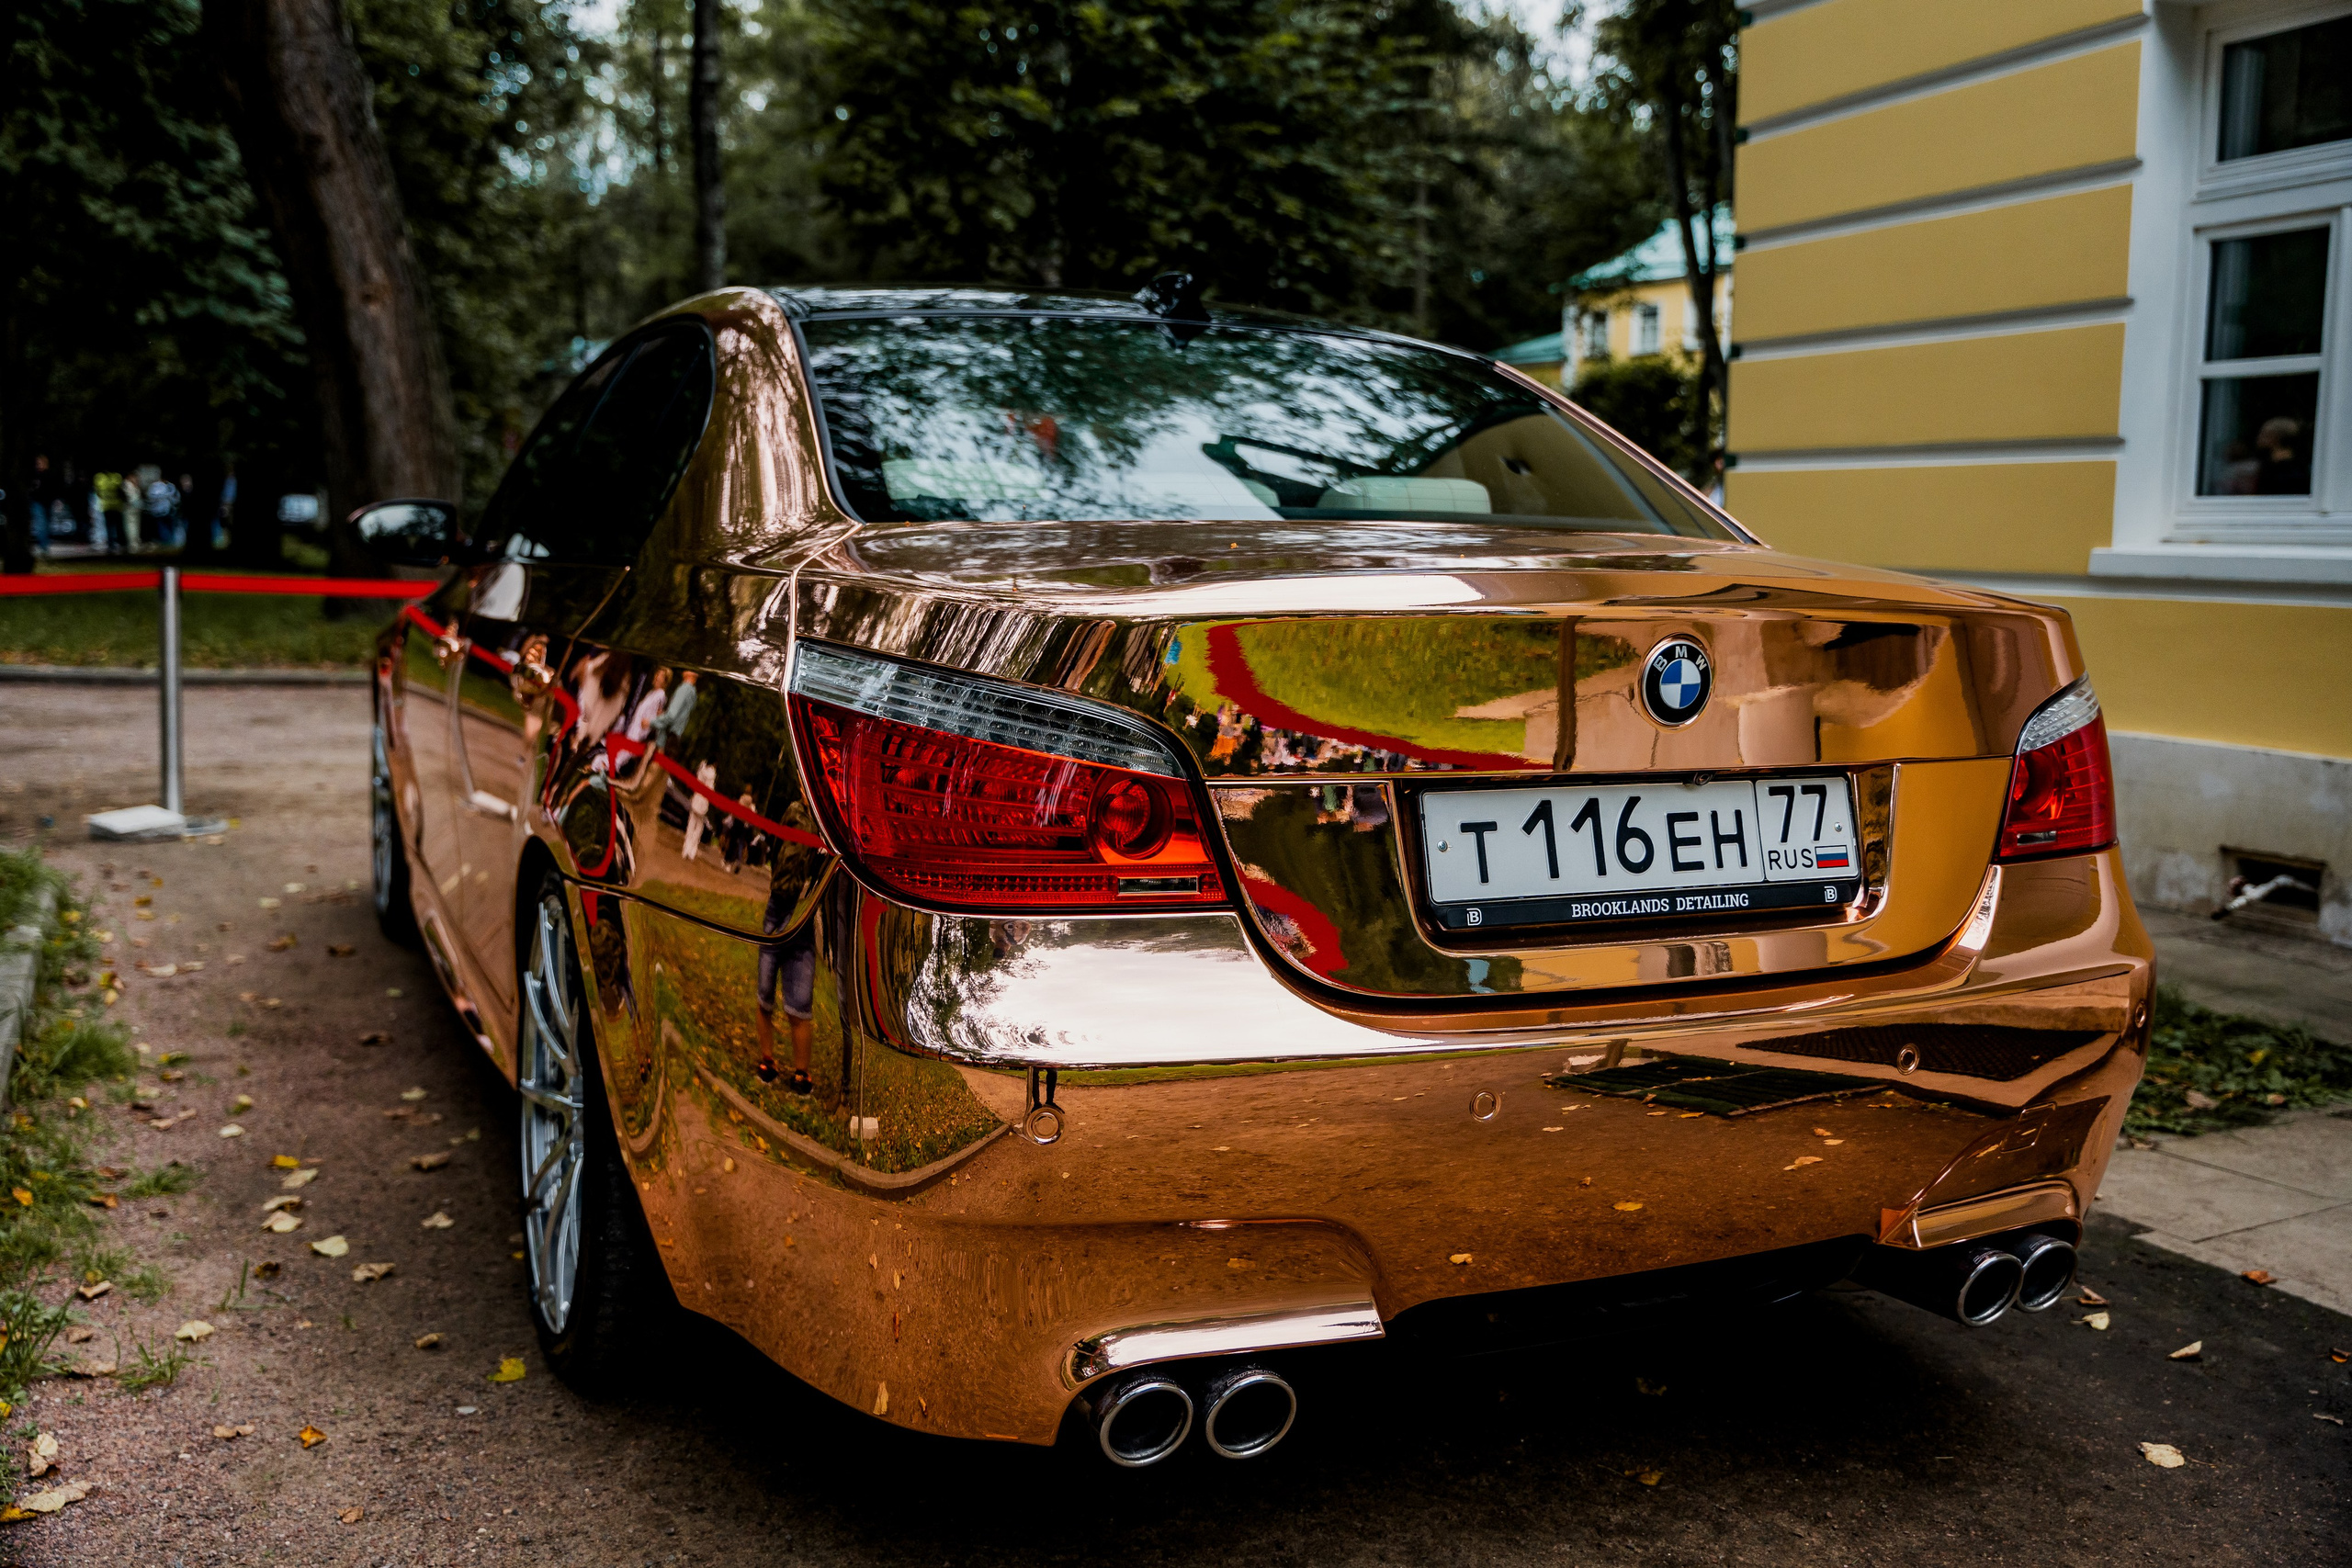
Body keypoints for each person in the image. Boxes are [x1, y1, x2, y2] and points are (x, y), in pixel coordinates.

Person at [752, 880, 818, 1097]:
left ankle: (801, 1074)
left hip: (804, 918)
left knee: (799, 1008)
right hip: (777, 909)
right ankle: (767, 1061)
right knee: (764, 998)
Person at [648, 668, 698, 750]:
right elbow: (680, 717)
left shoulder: (684, 689)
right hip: (674, 740)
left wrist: (650, 723)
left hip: (664, 741)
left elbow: (671, 716)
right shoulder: (693, 693)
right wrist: (664, 714)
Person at [681, 759, 718, 861]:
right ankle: (692, 851)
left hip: (696, 796)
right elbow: (710, 788)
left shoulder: (702, 766)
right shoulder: (712, 773)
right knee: (698, 828)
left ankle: (685, 849)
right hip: (703, 801)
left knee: (691, 824)